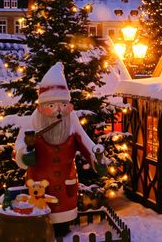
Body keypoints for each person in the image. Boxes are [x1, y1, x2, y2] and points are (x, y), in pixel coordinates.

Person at [15, 63, 104, 236]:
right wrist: (24, 155)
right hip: (40, 186)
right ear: (41, 107)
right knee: (42, 223)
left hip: (66, 186)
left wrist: (97, 159)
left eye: (63, 105)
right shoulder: (31, 123)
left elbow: (86, 143)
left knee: (64, 230)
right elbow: (19, 147)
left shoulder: (71, 121)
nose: (59, 111)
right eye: (52, 105)